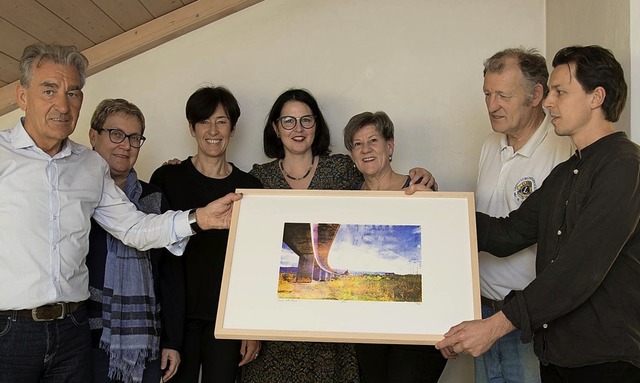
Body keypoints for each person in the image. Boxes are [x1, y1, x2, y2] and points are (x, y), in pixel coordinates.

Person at [0, 43, 239, 383]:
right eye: (48, 90)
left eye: (73, 93)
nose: (62, 104)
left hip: (72, 330)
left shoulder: (89, 165)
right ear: (22, 96)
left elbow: (133, 228)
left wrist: (199, 218)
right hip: (9, 331)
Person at [436, 45, 640, 383]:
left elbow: (576, 270)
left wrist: (495, 325)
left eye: (560, 91)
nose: (548, 101)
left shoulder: (624, 167)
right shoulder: (565, 173)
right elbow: (507, 234)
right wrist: (433, 207)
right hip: (556, 354)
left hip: (605, 360)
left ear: (596, 97)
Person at [241, 88, 437, 383]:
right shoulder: (257, 179)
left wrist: (427, 179)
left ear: (317, 125)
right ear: (275, 128)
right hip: (277, 326)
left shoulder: (342, 169)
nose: (298, 128)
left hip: (334, 333)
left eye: (306, 120)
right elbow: (249, 252)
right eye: (288, 121)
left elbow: (385, 185)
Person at [150, 86, 262, 383]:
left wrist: (250, 327)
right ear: (192, 128)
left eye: (222, 121)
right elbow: (154, 251)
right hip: (175, 321)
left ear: (233, 129)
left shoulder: (249, 187)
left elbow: (254, 264)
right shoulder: (167, 178)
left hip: (226, 321)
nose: (213, 130)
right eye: (204, 121)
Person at [475, 48, 573, 383]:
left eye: (503, 95)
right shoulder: (490, 145)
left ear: (536, 95)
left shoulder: (563, 152)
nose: (492, 105)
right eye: (487, 94)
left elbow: (510, 234)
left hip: (529, 322)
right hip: (482, 311)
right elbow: (487, 221)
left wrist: (447, 216)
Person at [343, 110, 447, 383]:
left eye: (373, 140)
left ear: (390, 146)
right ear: (352, 155)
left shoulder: (418, 189)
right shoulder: (345, 201)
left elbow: (444, 261)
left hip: (418, 327)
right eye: (357, 144)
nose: (365, 149)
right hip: (368, 327)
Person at [87, 98, 185, 383]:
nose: (125, 145)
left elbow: (170, 275)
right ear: (93, 136)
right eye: (116, 134)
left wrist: (172, 341)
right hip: (85, 338)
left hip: (146, 345)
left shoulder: (153, 197)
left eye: (134, 138)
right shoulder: (77, 194)